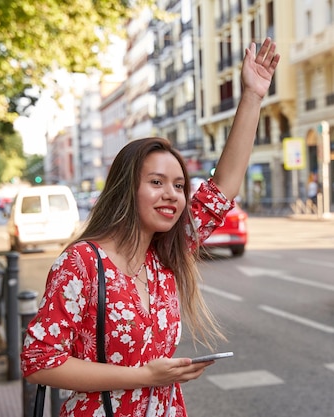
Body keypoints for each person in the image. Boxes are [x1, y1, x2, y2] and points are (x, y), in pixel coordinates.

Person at [21, 37, 280, 417]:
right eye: (157, 182)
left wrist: (253, 97)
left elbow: (222, 187)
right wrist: (144, 376)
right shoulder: (81, 264)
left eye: (179, 186)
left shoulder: (163, 256)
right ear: (128, 188)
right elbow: (40, 362)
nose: (173, 195)